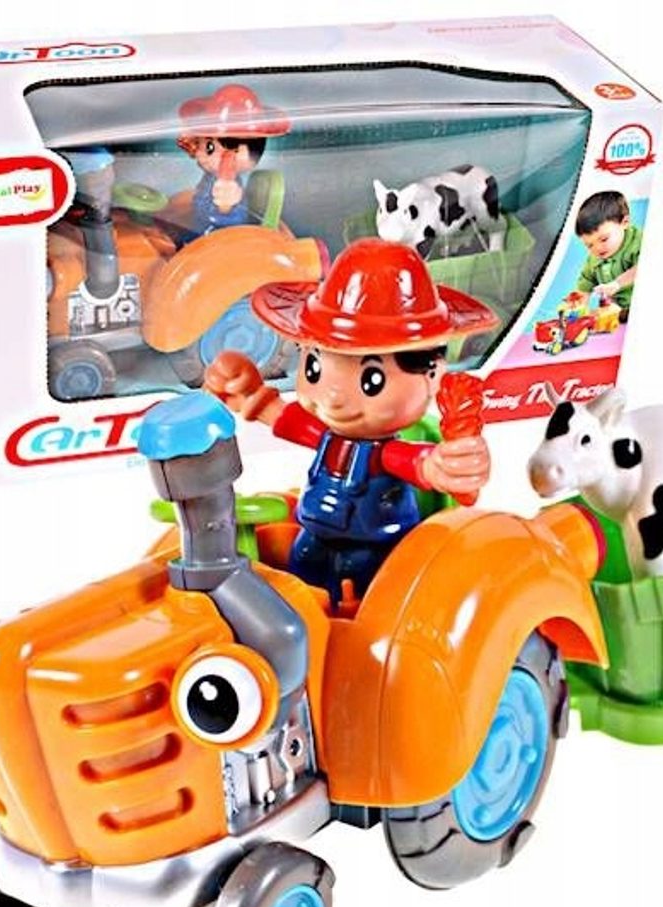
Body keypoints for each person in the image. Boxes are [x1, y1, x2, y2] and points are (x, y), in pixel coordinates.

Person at [204, 238, 496, 605]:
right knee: (302, 579)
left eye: (372, 379)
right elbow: (281, 416)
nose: (333, 397)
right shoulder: (325, 435)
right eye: (314, 365)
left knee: (369, 593)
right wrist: (248, 393)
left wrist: (446, 467)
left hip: (376, 550)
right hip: (314, 537)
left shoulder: (386, 455)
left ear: (433, 373)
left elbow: (419, 463)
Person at [177, 84, 290, 236]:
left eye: (210, 148)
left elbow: (234, 221)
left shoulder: (231, 186)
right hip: (200, 229)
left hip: (216, 238)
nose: (200, 154)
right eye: (207, 146)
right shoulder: (211, 178)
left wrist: (226, 208)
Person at [574, 191, 643, 322]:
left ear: (624, 222)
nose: (597, 248)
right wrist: (578, 310)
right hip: (619, 310)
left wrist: (617, 284)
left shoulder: (638, 242)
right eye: (589, 245)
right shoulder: (594, 259)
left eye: (604, 239)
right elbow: (585, 285)